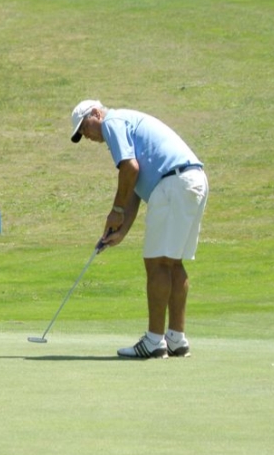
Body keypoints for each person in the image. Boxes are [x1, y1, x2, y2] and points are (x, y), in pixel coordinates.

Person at [70, 100, 209, 359]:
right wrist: (121, 231)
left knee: (157, 264)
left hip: (173, 183)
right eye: (80, 134)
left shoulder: (112, 122)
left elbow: (130, 169)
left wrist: (115, 210)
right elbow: (134, 186)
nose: (85, 136)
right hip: (193, 181)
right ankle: (176, 340)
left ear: (96, 113)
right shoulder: (127, 123)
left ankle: (154, 341)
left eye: (84, 127)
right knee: (173, 263)